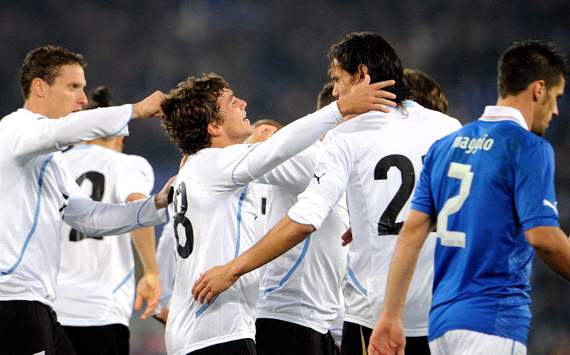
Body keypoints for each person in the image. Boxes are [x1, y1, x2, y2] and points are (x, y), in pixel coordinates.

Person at [191, 32, 461, 355]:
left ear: (361, 75)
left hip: (373, 314)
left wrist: (233, 269)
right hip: (441, 307)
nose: (334, 92)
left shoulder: (346, 135)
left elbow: (305, 220)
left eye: (337, 79)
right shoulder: (448, 128)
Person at [160, 71, 397, 354]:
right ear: (213, 126)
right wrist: (340, 108)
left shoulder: (196, 168)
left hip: (196, 330)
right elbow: (276, 149)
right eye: (233, 102)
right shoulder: (216, 163)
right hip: (218, 330)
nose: (244, 104)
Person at [368, 39, 569, 355]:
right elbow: (543, 237)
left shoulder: (447, 147)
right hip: (493, 321)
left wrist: (391, 316)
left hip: (442, 326)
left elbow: (410, 234)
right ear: (539, 89)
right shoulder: (528, 147)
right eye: (557, 97)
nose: (556, 110)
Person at [0, 45, 170, 354]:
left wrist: (155, 204)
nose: (82, 99)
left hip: (41, 303)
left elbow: (89, 218)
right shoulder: (15, 130)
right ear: (39, 86)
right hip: (12, 301)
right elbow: (65, 130)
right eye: (73, 87)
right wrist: (135, 110)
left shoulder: (49, 156)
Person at [53, 87, 161, 354]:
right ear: (119, 139)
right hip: (100, 310)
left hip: (50, 307)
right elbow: (137, 205)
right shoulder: (125, 164)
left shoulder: (54, 163)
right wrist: (150, 271)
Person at [253, 80, 349, 355]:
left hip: (326, 322)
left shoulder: (347, 171)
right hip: (289, 317)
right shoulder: (308, 157)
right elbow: (246, 164)